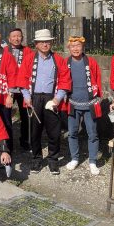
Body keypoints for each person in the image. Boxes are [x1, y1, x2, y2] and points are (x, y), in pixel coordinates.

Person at [17, 29, 72, 175]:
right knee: (35, 132)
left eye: (47, 41)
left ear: (51, 43)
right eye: (42, 42)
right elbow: (22, 78)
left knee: (54, 132)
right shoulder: (29, 58)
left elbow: (65, 80)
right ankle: (36, 159)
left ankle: (53, 160)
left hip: (51, 98)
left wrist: (57, 98)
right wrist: (26, 96)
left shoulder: (58, 59)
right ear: (36, 44)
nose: (45, 44)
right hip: (34, 97)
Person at [65, 36, 103, 175]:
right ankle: (75, 158)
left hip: (89, 103)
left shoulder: (91, 62)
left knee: (92, 133)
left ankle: (92, 161)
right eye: (72, 46)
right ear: (68, 48)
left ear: (83, 47)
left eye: (78, 45)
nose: (75, 48)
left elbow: (98, 79)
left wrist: (98, 96)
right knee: (72, 133)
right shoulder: (66, 62)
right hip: (73, 103)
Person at [4, 28, 34, 151]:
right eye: (14, 36)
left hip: (23, 88)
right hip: (8, 89)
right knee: (6, 116)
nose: (16, 38)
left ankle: (25, 141)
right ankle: (7, 142)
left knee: (25, 116)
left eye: (19, 36)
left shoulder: (28, 51)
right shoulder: (4, 51)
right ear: (9, 39)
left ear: (22, 37)